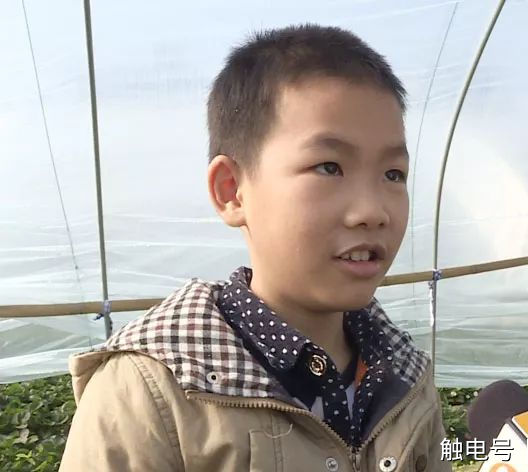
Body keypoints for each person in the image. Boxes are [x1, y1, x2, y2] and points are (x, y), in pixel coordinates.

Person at [60, 24, 450, 472]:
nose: (373, 211)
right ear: (232, 191)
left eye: (393, 174)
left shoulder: (406, 378)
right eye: (329, 167)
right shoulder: (149, 395)